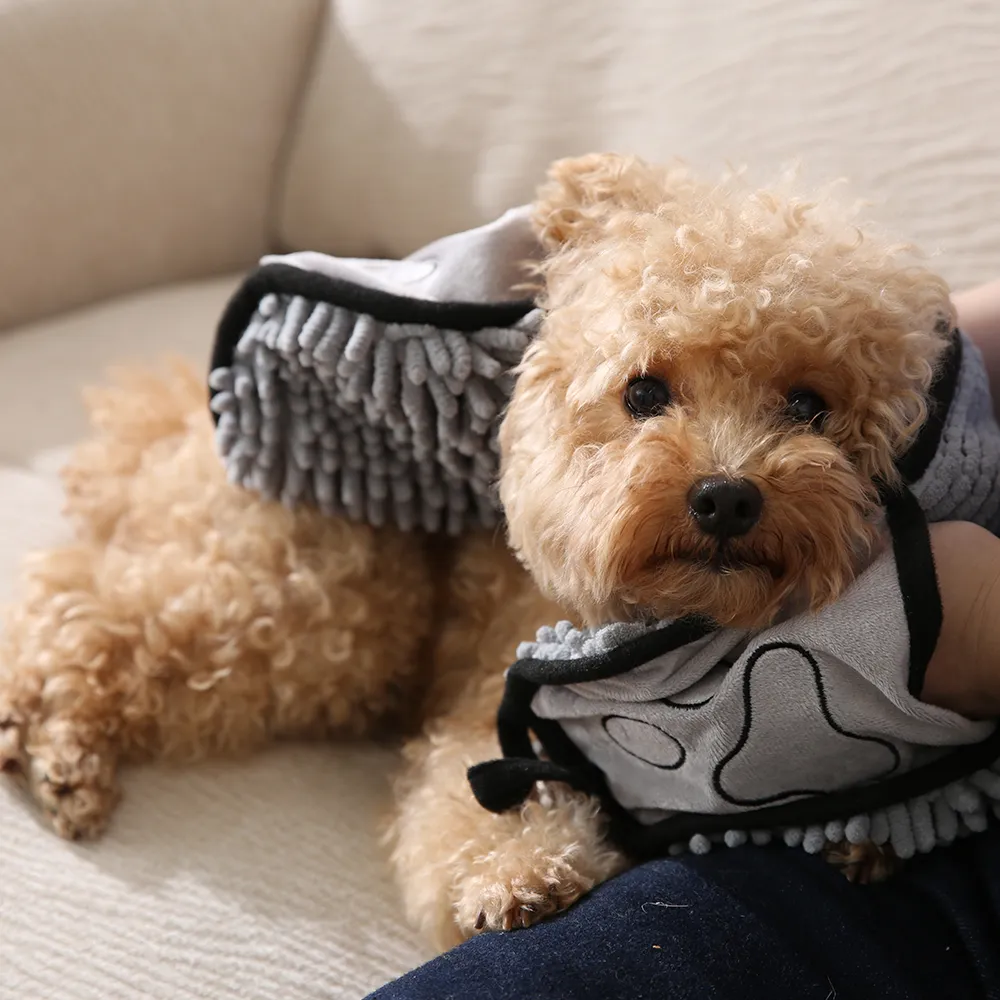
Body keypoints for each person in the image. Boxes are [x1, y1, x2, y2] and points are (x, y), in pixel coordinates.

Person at [366, 281, 1000, 1000]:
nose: (726, 479)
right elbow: (474, 759)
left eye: (804, 407)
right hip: (389, 562)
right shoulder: (563, 643)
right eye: (646, 399)